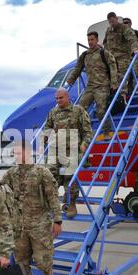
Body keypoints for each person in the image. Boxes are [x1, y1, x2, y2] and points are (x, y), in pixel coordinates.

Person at [1, 140, 62, 275]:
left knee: (42, 259)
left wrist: (57, 220)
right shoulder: (11, 173)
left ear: (28, 152)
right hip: (19, 225)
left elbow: (53, 197)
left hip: (39, 223)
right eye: (14, 153)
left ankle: (47, 269)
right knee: (21, 260)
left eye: (18, 152)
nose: (16, 156)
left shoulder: (42, 172)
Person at [43, 88, 93, 219]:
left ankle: (71, 204)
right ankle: (50, 206)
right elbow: (47, 127)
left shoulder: (78, 111)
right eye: (57, 98)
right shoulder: (53, 112)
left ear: (67, 97)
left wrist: (84, 144)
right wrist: (46, 136)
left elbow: (88, 131)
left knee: (69, 179)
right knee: (49, 178)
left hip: (72, 151)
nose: (58, 100)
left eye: (61, 98)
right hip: (56, 151)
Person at [67, 31, 118, 139]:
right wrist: (71, 79)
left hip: (102, 86)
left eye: (92, 40)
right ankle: (83, 133)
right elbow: (78, 68)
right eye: (88, 40)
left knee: (101, 111)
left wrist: (114, 82)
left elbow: (113, 66)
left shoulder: (104, 53)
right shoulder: (85, 55)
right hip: (90, 87)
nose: (90, 42)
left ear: (97, 40)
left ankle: (107, 133)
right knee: (80, 109)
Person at [104, 12, 138, 97]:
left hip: (123, 57)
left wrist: (135, 49)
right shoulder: (108, 30)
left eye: (113, 21)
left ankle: (123, 97)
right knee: (113, 79)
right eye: (110, 22)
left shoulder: (124, 28)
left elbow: (132, 39)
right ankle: (115, 97)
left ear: (116, 18)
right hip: (112, 59)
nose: (112, 24)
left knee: (123, 78)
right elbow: (105, 43)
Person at [123, 17, 138, 94]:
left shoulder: (137, 33)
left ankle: (137, 92)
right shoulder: (121, 35)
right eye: (124, 23)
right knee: (125, 77)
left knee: (137, 74)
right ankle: (126, 94)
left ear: (130, 23)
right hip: (125, 59)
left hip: (136, 58)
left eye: (127, 22)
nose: (125, 24)